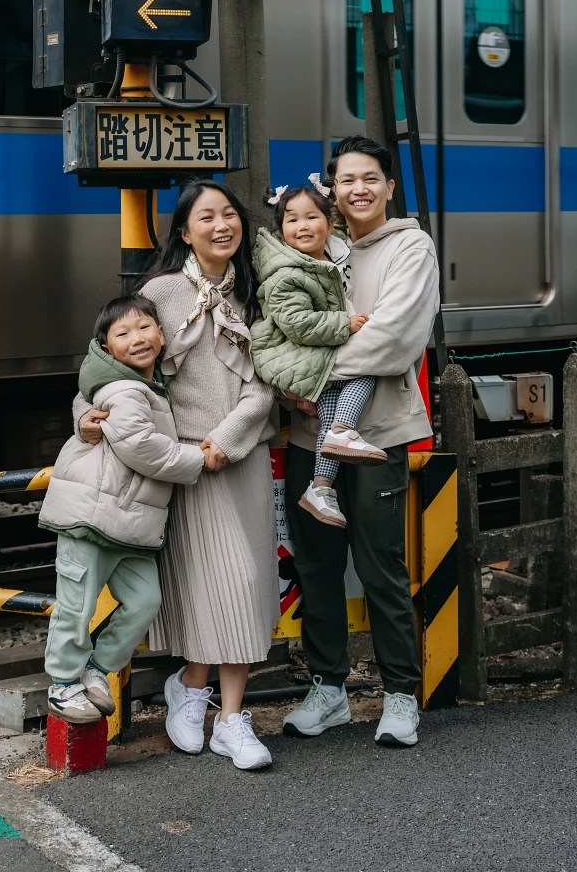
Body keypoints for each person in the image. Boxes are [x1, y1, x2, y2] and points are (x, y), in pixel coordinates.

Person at [77, 180, 278, 771]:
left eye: (230, 215)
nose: (222, 225)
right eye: (206, 217)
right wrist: (84, 417)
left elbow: (265, 382)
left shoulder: (258, 294)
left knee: (243, 585)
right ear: (184, 231)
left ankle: (228, 718)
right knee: (202, 588)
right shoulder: (160, 292)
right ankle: (192, 689)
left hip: (238, 458)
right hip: (182, 464)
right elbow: (105, 364)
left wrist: (227, 439)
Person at [282, 135, 440, 749]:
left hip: (379, 433)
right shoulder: (322, 244)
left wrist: (306, 374)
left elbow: (396, 340)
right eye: (346, 180)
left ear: (389, 187)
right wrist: (290, 378)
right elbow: (284, 326)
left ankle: (400, 694)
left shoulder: (410, 246)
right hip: (306, 434)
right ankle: (329, 691)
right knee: (316, 564)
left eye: (370, 178)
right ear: (332, 189)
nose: (359, 189)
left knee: (381, 565)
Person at [39, 294, 205, 724]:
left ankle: (95, 670)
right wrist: (199, 460)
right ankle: (61, 684)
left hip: (129, 523)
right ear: (106, 347)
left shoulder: (145, 386)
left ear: (163, 334)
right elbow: (142, 449)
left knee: (145, 601)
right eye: (123, 333)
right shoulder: (126, 389)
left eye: (145, 327)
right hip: (91, 517)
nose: (137, 338)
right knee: (77, 603)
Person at [250, 178, 387, 531]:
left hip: (310, 351)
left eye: (311, 217)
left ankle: (320, 487)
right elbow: (297, 323)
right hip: (293, 352)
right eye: (291, 220)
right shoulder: (286, 273)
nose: (302, 226)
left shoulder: (336, 256)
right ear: (280, 230)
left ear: (330, 222)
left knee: (329, 416)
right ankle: (343, 430)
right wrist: (344, 323)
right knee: (365, 370)